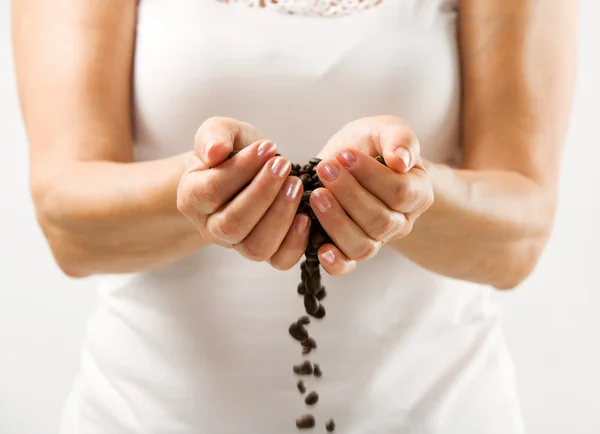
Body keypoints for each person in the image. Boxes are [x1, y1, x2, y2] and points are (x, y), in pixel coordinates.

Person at [12, 0, 577, 433]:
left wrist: (402, 193)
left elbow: (518, 236)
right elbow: (68, 224)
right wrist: (204, 189)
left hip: (440, 412)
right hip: (146, 414)